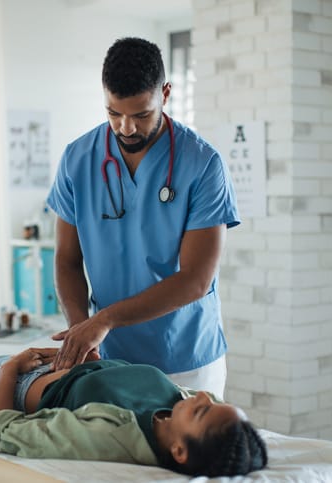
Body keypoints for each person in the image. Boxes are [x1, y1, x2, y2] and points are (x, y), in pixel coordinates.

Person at [0, 293, 267, 477]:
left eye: (207, 410)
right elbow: (118, 386)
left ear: (179, 451)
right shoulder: (176, 404)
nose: (205, 396)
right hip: (43, 367)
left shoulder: (109, 438)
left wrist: (10, 371)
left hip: (6, 387)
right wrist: (95, 364)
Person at [46, 37, 240, 396]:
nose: (126, 128)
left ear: (165, 93)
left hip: (186, 361)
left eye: (141, 114)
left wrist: (104, 319)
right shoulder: (77, 159)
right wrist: (80, 332)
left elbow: (196, 279)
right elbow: (67, 260)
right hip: (110, 359)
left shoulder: (202, 164)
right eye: (113, 113)